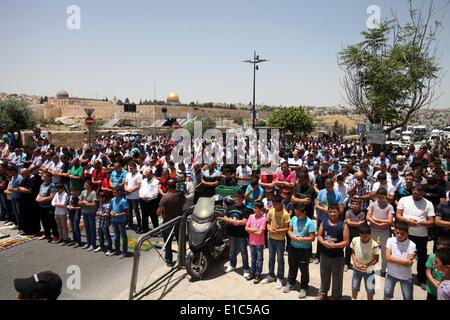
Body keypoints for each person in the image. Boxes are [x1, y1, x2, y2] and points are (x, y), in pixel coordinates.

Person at [396, 184, 435, 289]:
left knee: (422, 258)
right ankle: (400, 276)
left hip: (421, 235)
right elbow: (398, 215)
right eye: (416, 193)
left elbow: (432, 221)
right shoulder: (403, 200)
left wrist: (420, 223)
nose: (418, 196)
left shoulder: (428, 203)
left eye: (421, 194)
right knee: (403, 255)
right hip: (405, 233)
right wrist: (408, 221)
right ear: (412, 190)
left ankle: (421, 278)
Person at [317, 205, 349, 300]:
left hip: (337, 257)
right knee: (324, 275)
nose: (332, 214)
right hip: (324, 254)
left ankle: (336, 296)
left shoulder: (343, 225)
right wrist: (324, 242)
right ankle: (323, 293)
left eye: (335, 212)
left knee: (337, 278)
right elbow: (319, 236)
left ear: (339, 213)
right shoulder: (324, 222)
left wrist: (334, 246)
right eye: (330, 212)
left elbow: (346, 242)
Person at [283, 203, 316, 299]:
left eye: (299, 214)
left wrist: (301, 239)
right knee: (292, 267)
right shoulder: (293, 219)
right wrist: (292, 235)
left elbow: (312, 238)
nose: (297, 216)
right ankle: (291, 283)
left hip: (304, 250)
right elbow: (289, 230)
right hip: (293, 248)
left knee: (304, 269)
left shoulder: (309, 223)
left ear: (304, 212)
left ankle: (304, 287)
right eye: (296, 214)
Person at [261, 195, 290, 289]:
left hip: (280, 240)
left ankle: (280, 278)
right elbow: (267, 223)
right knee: (271, 257)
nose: (274, 206)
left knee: (280, 259)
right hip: (271, 238)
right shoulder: (270, 211)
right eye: (273, 204)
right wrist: (269, 228)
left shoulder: (285, 214)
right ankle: (271, 275)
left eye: (276, 204)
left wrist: (278, 231)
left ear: (281, 203)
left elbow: (287, 228)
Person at [314, 178, 345, 264]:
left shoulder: (338, 194)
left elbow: (341, 209)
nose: (328, 189)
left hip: (333, 220)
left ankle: (331, 255)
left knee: (332, 238)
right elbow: (316, 205)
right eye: (326, 187)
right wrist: (324, 209)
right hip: (322, 218)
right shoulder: (321, 192)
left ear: (333, 185)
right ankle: (318, 256)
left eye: (330, 187)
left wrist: (333, 212)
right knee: (320, 237)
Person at [384, 222, 416, 300]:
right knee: (387, 295)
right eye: (397, 233)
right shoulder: (390, 240)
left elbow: (408, 264)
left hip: (405, 276)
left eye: (402, 234)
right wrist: (405, 261)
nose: (399, 235)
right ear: (394, 231)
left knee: (408, 297)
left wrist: (392, 258)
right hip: (390, 274)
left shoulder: (412, 245)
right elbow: (387, 257)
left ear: (407, 233)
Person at [366, 188, 394, 275]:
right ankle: (370, 267)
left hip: (384, 231)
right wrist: (376, 222)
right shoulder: (373, 204)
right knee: (372, 249)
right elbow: (368, 217)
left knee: (384, 251)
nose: (380, 199)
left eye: (382, 197)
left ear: (386, 196)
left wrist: (377, 220)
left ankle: (383, 269)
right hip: (373, 229)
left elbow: (390, 221)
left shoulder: (390, 206)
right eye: (379, 197)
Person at [157, 179, 184, 266]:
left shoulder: (165, 197)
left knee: (168, 243)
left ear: (167, 187)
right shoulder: (181, 196)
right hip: (179, 221)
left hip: (168, 222)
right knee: (180, 241)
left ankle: (169, 260)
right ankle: (182, 258)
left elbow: (158, 212)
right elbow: (183, 204)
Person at [224, 191, 251, 276]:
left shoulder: (246, 209)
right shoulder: (230, 207)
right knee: (232, 251)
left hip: (242, 235)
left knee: (243, 251)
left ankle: (246, 268)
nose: (236, 201)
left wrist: (236, 222)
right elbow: (225, 217)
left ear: (242, 200)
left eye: (238, 200)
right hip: (232, 233)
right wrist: (232, 221)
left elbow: (245, 221)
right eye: (236, 200)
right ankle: (232, 265)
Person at [350, 223, 380, 300]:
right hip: (357, 269)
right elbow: (353, 252)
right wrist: (356, 263)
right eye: (362, 236)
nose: (364, 238)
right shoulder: (354, 240)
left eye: (366, 236)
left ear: (370, 234)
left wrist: (367, 265)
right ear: (359, 234)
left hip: (369, 270)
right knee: (354, 287)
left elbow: (376, 259)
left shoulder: (375, 245)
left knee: (370, 289)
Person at [245, 201, 266, 283]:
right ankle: (252, 273)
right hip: (251, 242)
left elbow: (260, 232)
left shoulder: (263, 219)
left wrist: (251, 230)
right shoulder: (251, 216)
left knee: (259, 259)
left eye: (256, 208)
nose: (254, 210)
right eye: (254, 208)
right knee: (253, 259)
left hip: (259, 243)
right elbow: (246, 228)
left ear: (261, 209)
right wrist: (254, 230)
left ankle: (258, 274)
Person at [344, 199, 366, 271]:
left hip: (358, 233)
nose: (355, 205)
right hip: (349, 232)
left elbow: (361, 224)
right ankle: (346, 263)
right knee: (348, 249)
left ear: (360, 205)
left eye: (357, 204)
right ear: (351, 204)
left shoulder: (362, 213)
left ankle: (357, 264)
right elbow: (348, 222)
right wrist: (357, 223)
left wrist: (351, 222)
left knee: (358, 249)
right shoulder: (348, 212)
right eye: (353, 204)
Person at [36, 172, 58, 242]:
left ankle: (56, 236)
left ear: (50, 177)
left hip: (49, 206)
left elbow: (52, 196)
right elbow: (39, 193)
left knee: (51, 221)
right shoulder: (42, 184)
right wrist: (37, 198)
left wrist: (42, 200)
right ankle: (46, 234)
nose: (43, 178)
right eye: (43, 177)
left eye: (45, 177)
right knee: (44, 221)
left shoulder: (52, 185)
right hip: (41, 206)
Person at [111, 187, 130, 258]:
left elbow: (127, 212)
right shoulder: (112, 200)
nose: (113, 194)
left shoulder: (123, 201)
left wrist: (118, 215)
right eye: (113, 192)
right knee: (116, 236)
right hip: (114, 221)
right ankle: (117, 250)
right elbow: (111, 209)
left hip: (121, 221)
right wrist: (111, 213)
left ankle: (125, 252)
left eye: (115, 192)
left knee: (123, 236)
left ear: (119, 192)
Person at [139, 168, 160, 233]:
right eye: (146, 174)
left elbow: (156, 192)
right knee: (144, 216)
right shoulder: (143, 181)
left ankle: (156, 230)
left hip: (152, 201)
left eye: (148, 174)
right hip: (143, 200)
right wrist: (142, 196)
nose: (147, 175)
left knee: (153, 216)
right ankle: (145, 229)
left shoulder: (156, 181)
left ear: (151, 174)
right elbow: (140, 190)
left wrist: (149, 197)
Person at [79, 181, 98, 251]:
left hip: (91, 213)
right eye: (85, 185)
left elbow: (94, 204)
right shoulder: (83, 192)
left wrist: (86, 203)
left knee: (92, 229)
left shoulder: (93, 193)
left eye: (86, 185)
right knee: (87, 229)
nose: (85, 186)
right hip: (84, 212)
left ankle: (93, 244)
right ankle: (88, 243)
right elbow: (79, 202)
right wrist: (83, 202)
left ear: (90, 186)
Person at [125, 162, 142, 232]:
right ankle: (130, 224)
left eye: (131, 168)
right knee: (129, 211)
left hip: (135, 196)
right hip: (128, 196)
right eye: (129, 168)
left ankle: (139, 225)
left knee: (136, 211)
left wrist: (130, 191)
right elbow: (125, 184)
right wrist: (126, 190)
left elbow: (138, 185)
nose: (130, 169)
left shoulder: (139, 175)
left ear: (135, 168)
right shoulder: (128, 175)